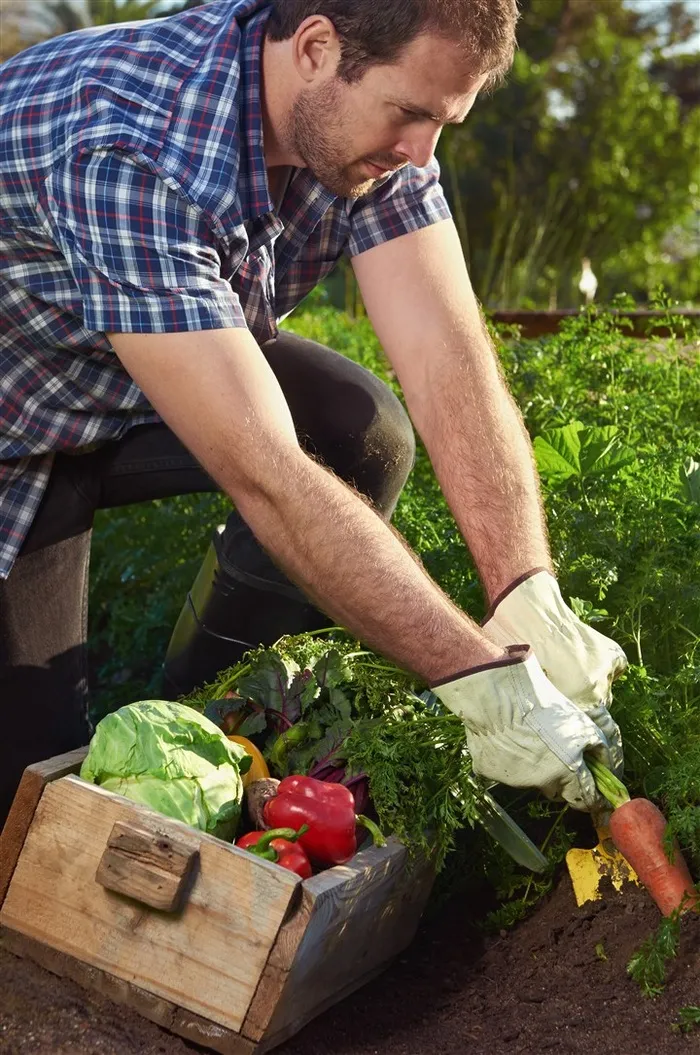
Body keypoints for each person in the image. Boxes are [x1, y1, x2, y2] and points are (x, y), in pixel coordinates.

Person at [0, 0, 627, 830]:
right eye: (409, 114)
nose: (420, 153)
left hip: (132, 367)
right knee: (30, 800)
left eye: (442, 123)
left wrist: (526, 593)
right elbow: (270, 474)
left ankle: (216, 732)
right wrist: (478, 678)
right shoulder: (126, 143)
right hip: (20, 425)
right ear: (316, 47)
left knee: (356, 429)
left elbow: (447, 360)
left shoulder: (369, 125)